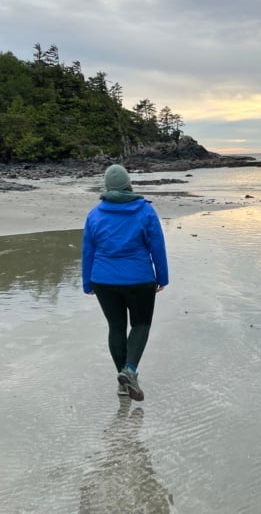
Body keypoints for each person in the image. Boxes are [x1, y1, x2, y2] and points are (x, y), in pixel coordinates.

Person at [82, 164, 169, 401]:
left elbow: (88, 250)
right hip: (139, 279)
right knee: (140, 325)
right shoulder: (145, 212)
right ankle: (129, 370)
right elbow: (157, 247)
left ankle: (123, 384)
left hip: (103, 280)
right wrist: (162, 277)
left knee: (116, 327)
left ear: (107, 187)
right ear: (129, 184)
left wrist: (87, 283)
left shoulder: (95, 214)